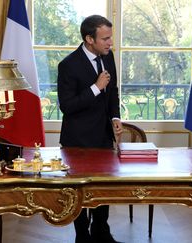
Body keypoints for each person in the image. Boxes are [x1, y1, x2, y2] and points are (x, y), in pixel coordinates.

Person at [57, 15, 123, 243]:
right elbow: (67, 106)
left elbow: (112, 90)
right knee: (80, 192)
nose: (110, 43)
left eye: (110, 38)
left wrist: (115, 116)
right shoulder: (68, 65)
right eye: (105, 38)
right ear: (89, 39)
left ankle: (101, 233)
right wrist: (95, 88)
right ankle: (82, 236)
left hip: (103, 137)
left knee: (103, 188)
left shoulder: (109, 56)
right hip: (77, 140)